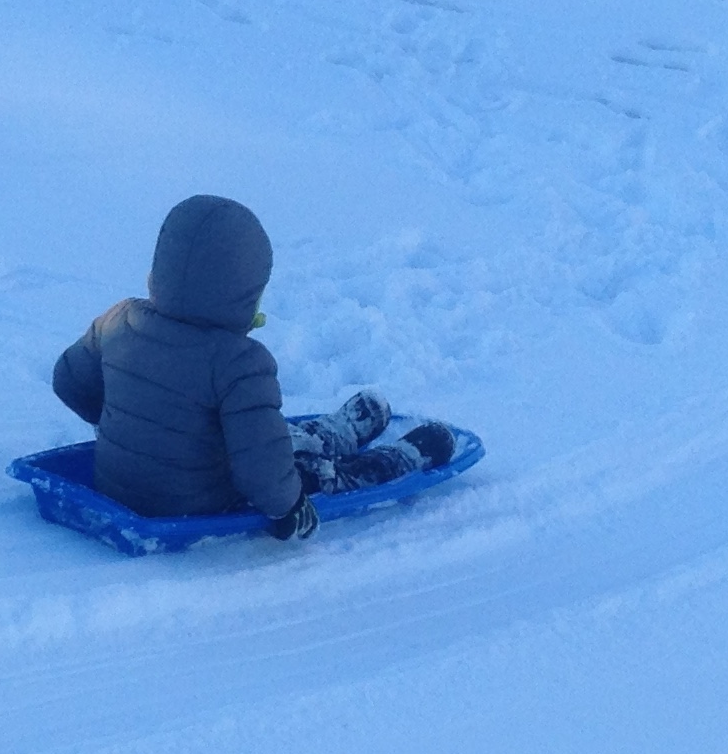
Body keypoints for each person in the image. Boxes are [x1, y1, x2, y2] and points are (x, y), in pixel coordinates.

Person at [52, 194, 454, 540]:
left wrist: (127, 423)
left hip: (116, 486)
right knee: (313, 473)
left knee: (267, 438)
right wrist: (287, 508)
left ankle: (330, 433)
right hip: (203, 500)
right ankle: (400, 458)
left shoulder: (120, 320)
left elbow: (69, 382)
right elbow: (262, 471)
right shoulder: (239, 362)